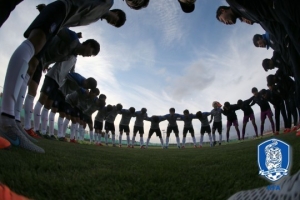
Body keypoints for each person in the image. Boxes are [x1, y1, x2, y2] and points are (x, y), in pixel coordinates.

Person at [0, 0, 128, 153]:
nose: (88, 55)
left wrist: (47, 61)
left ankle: (15, 122)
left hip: (43, 58)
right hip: (54, 22)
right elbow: (58, 27)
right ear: (88, 45)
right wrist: (46, 11)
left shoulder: (72, 53)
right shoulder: (102, 7)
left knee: (30, 82)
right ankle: (10, 120)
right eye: (90, 52)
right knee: (32, 55)